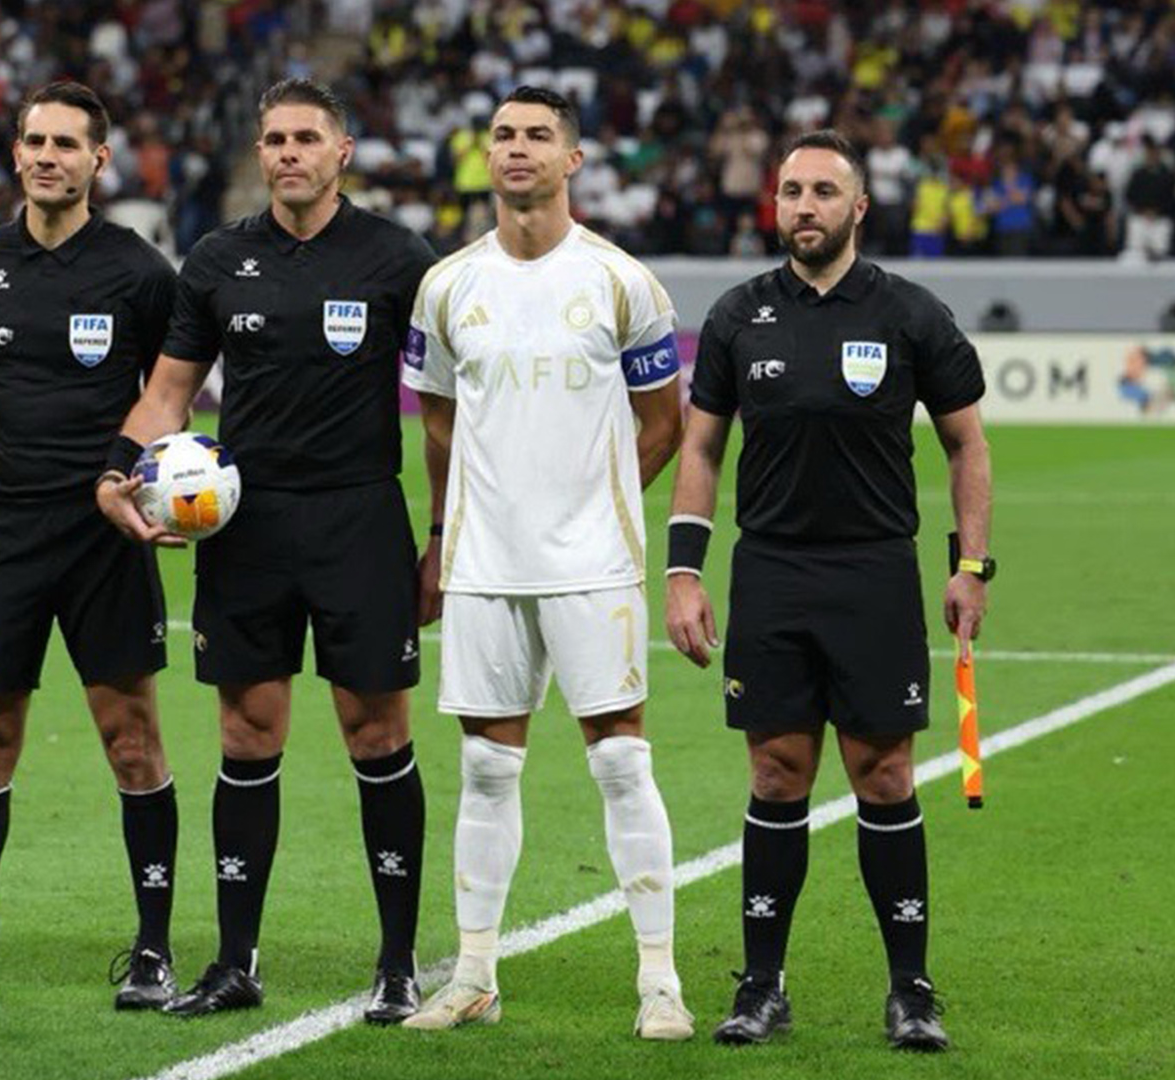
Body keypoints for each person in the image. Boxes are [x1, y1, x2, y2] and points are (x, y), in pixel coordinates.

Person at [98, 78, 435, 1023]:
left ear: (342, 151)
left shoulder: (397, 258)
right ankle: (235, 962)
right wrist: (118, 469)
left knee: (378, 733)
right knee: (247, 735)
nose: (289, 153)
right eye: (275, 139)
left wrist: (446, 535)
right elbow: (170, 392)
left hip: (361, 522)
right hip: (244, 529)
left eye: (306, 138)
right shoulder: (217, 259)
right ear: (260, 153)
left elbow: (447, 407)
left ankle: (399, 965)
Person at [665, 129, 992, 1052]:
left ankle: (911, 991)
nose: (803, 207)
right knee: (776, 772)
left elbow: (967, 443)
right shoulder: (739, 315)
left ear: (859, 207)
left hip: (874, 573)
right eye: (790, 191)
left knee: (884, 774)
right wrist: (684, 571)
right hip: (770, 571)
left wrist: (971, 566)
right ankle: (761, 986)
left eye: (822, 191)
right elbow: (701, 447)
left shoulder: (910, 313)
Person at [397, 85, 693, 1039]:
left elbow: (665, 424)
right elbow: (438, 426)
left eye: (536, 135)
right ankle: (474, 975)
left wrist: (590, 508)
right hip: (484, 564)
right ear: (486, 156)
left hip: (592, 564)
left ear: (573, 160)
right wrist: (443, 537)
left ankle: (660, 981)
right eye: (502, 135)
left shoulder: (622, 281)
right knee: (486, 767)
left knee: (621, 761)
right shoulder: (447, 286)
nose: (516, 148)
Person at [0, 82, 183, 1011]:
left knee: (131, 737)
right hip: (2, 533)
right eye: (34, 141)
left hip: (105, 536)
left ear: (100, 159)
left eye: (66, 143)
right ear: (15, 152)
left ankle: (153, 951)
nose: (47, 156)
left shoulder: (139, 271)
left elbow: (166, 397)